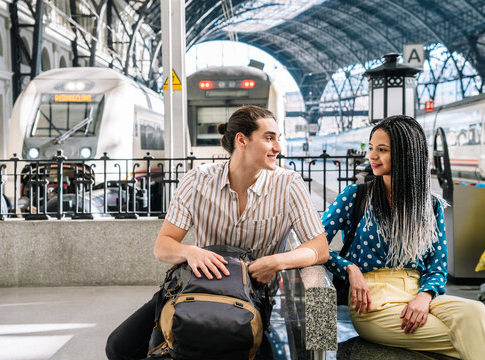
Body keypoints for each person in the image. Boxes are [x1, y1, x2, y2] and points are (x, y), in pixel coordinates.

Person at [106, 105, 329, 360]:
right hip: (195, 289)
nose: (278, 147)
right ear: (242, 140)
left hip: (249, 301)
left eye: (279, 138)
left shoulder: (289, 184)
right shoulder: (197, 180)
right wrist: (190, 251)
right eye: (269, 138)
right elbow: (163, 246)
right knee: (119, 346)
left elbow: (319, 247)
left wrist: (277, 262)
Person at [323, 115, 485, 359]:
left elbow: (437, 265)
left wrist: (425, 295)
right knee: (472, 333)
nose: (372, 156)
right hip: (373, 302)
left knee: (476, 311)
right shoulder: (356, 196)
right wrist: (349, 269)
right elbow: (316, 245)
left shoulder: (430, 206)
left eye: (383, 150)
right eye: (371, 148)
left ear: (406, 155)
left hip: (418, 294)